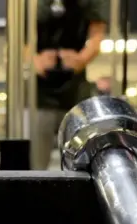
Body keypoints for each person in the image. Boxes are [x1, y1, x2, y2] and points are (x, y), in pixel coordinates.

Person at [26, 0, 108, 169]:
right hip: (41, 93)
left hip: (75, 90)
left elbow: (97, 34)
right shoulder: (33, 5)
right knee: (37, 163)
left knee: (78, 158)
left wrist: (80, 59)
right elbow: (20, 36)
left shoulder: (89, 4)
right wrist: (36, 61)